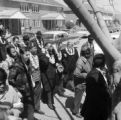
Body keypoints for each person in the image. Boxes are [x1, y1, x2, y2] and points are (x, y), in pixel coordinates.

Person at [81, 53, 111, 120]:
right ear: (102, 63)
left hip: (101, 105)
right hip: (95, 108)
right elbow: (93, 94)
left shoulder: (103, 71)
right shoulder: (93, 75)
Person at [8, 47, 35, 120]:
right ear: (21, 55)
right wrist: (16, 91)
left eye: (29, 55)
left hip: (29, 89)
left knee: (30, 108)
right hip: (21, 91)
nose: (28, 56)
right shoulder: (16, 65)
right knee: (22, 109)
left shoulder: (28, 62)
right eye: (26, 55)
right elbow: (10, 79)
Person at [72, 45, 91, 118]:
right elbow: (76, 73)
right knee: (78, 98)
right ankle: (75, 112)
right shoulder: (80, 61)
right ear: (83, 53)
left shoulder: (86, 59)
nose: (88, 55)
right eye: (87, 53)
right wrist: (86, 75)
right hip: (80, 84)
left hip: (85, 82)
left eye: (89, 53)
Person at [38, 43, 57, 110]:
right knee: (48, 87)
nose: (51, 47)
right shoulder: (42, 55)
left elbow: (56, 60)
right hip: (45, 73)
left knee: (51, 87)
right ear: (46, 47)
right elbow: (45, 62)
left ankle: (45, 99)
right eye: (50, 46)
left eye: (51, 46)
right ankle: (50, 103)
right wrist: (45, 54)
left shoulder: (51, 53)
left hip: (52, 72)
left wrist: (55, 50)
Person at [29, 40, 45, 115]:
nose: (35, 49)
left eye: (36, 48)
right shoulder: (27, 57)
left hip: (38, 75)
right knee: (32, 93)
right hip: (31, 77)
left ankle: (37, 107)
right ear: (30, 49)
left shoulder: (37, 55)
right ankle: (31, 108)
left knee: (38, 92)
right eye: (33, 48)